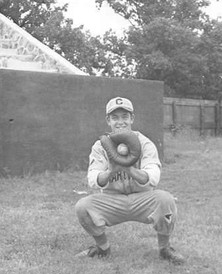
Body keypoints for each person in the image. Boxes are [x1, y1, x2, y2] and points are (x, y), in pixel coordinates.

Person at [75, 96, 184, 264]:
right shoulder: (100, 146)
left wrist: (129, 168)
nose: (120, 122)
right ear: (108, 120)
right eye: (115, 117)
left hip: (142, 199)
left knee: (166, 200)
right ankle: (103, 248)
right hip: (113, 200)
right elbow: (93, 179)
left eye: (125, 117)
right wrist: (112, 171)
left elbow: (153, 176)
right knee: (83, 207)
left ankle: (165, 249)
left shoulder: (145, 143)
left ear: (132, 118)